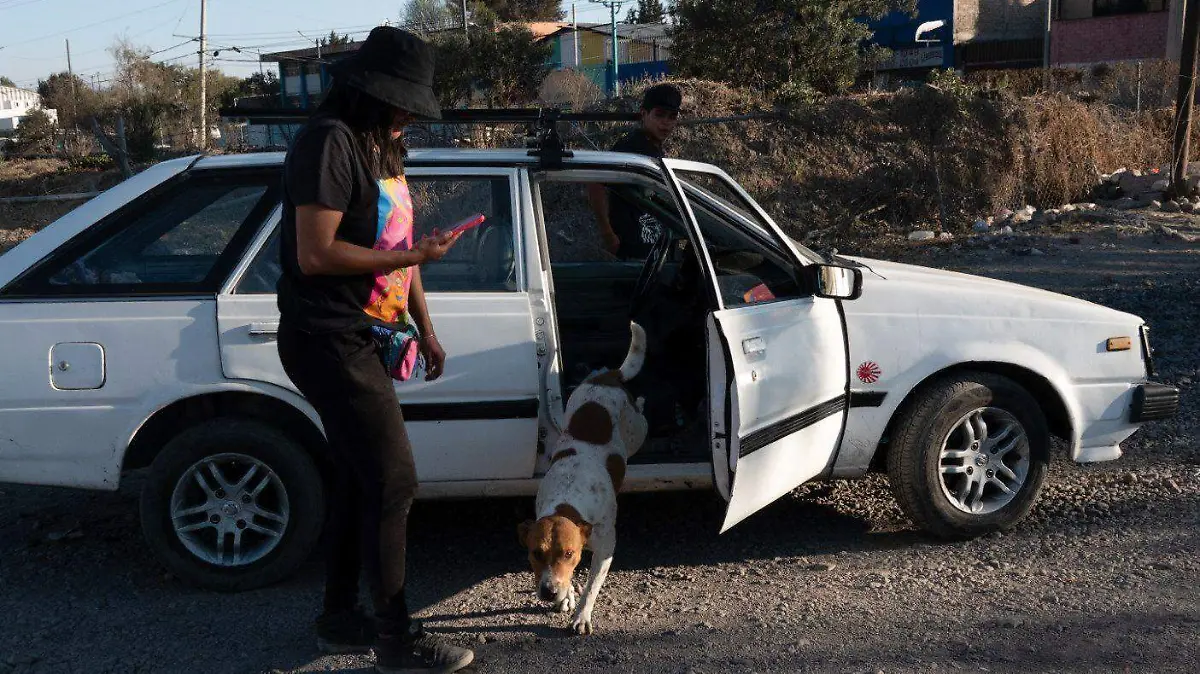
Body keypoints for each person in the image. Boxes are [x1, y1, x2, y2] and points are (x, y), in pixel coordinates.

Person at [274, 26, 474, 674]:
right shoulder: (329, 142)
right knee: (394, 481)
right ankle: (395, 640)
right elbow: (316, 252)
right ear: (370, 90)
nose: (410, 114)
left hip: (368, 332)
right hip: (325, 337)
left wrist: (425, 325)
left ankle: (338, 616)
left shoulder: (384, 144)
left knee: (361, 479)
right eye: (403, 101)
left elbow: (399, 248)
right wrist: (415, 254)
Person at [587, 83, 682, 260]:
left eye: (672, 116)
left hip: (654, 252)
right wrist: (608, 235)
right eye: (659, 115)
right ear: (644, 114)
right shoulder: (630, 147)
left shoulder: (653, 149)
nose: (666, 123)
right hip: (634, 252)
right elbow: (595, 182)